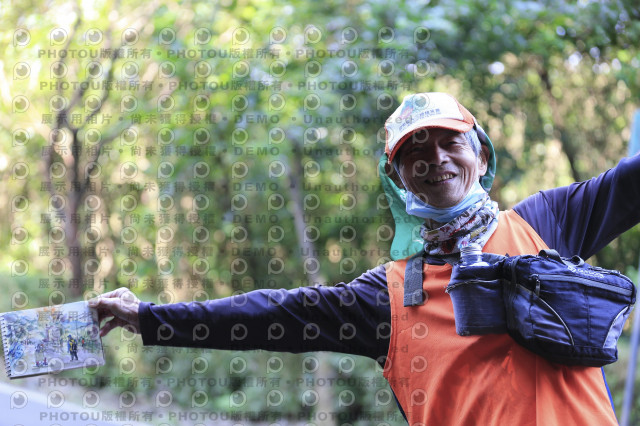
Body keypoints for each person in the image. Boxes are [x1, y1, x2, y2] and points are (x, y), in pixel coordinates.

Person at [90, 92, 640, 425]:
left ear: (480, 155)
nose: (435, 159)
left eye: (450, 142)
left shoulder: (544, 224)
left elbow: (631, 185)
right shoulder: (388, 297)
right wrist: (150, 318)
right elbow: (274, 314)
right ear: (398, 178)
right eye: (414, 152)